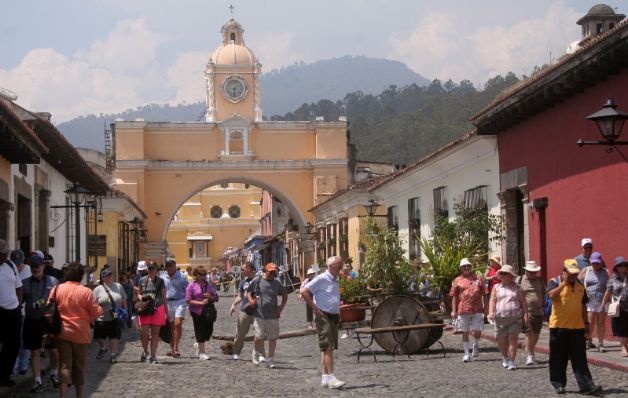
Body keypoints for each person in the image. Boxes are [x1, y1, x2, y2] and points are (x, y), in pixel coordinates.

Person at [547, 259, 602, 395]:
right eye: (570, 273)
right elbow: (551, 295)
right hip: (558, 327)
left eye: (575, 274)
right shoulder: (554, 282)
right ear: (564, 272)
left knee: (580, 358)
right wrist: (564, 283)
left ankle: (587, 386)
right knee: (558, 358)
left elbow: (583, 305)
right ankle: (558, 384)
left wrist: (586, 323)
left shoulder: (580, 285)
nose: (573, 276)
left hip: (577, 328)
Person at [53, 262, 103, 398]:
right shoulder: (85, 291)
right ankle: (78, 396)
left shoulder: (57, 289)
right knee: (79, 367)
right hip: (81, 333)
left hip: (62, 332)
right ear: (81, 276)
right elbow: (97, 312)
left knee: (64, 365)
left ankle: (63, 395)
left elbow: (49, 307)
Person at [301, 256, 346, 389]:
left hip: (333, 316)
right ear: (331, 266)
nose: (340, 268)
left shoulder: (335, 279)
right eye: (339, 266)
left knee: (326, 349)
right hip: (324, 316)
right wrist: (315, 308)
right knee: (328, 348)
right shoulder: (321, 278)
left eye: (341, 265)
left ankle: (325, 378)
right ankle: (332, 379)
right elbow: (304, 292)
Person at [22, 254, 60, 392]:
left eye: (37, 266)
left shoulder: (53, 281)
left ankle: (54, 372)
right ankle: (37, 381)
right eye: (32, 266)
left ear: (43, 266)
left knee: (54, 351)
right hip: (32, 321)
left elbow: (60, 300)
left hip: (49, 321)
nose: (35, 268)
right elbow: (19, 300)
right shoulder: (25, 283)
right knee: (35, 351)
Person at [246, 263, 287, 368]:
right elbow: (249, 292)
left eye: (275, 272)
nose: (273, 274)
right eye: (271, 272)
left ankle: (270, 359)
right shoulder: (257, 281)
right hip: (259, 314)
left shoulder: (277, 283)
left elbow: (285, 295)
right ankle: (255, 353)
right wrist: (250, 300)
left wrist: (281, 306)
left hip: (273, 315)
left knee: (272, 338)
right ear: (266, 271)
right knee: (258, 337)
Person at [488, 264, 528, 370]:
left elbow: (523, 301)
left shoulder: (518, 288)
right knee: (501, 340)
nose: (504, 275)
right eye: (502, 273)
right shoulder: (496, 287)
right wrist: (491, 312)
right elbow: (492, 300)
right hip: (500, 318)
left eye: (506, 273)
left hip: (515, 318)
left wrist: (526, 314)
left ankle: (511, 361)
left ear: (511, 276)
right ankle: (505, 357)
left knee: (512, 339)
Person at [449, 258, 486, 362]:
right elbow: (454, 296)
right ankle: (466, 354)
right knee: (465, 331)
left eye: (468, 266)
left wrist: (486, 307)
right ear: (461, 268)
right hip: (462, 309)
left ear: (471, 267)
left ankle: (475, 344)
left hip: (477, 309)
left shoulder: (478, 279)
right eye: (464, 266)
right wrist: (453, 310)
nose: (466, 268)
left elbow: (484, 293)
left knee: (477, 331)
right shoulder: (457, 280)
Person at [0, 239, 23, 387]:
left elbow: (18, 287)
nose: (5, 257)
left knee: (13, 345)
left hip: (13, 311)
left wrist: (19, 304)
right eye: (2, 254)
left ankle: (5, 375)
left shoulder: (10, 265)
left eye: (5, 253)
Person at [92, 268, 127, 364]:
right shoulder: (97, 289)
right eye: (107, 276)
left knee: (113, 336)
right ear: (103, 278)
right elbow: (93, 303)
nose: (109, 277)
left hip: (115, 316)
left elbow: (124, 299)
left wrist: (125, 311)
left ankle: (113, 355)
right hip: (101, 317)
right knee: (99, 337)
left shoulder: (118, 286)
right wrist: (93, 316)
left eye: (110, 275)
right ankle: (103, 348)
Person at [516, 260, 546, 366]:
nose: (533, 274)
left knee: (536, 334)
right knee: (529, 333)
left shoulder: (540, 280)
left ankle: (530, 350)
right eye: (531, 272)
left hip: (539, 311)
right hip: (526, 312)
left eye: (534, 272)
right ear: (526, 271)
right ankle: (529, 356)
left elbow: (543, 293)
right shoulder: (519, 280)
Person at [136, 262, 167, 364]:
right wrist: (142, 299)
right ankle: (145, 351)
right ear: (147, 269)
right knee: (144, 333)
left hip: (158, 308)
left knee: (155, 333)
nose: (151, 270)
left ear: (156, 269)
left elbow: (164, 297)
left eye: (153, 268)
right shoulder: (142, 280)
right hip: (145, 308)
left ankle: (153, 356)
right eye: (149, 268)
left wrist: (166, 311)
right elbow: (139, 293)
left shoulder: (160, 281)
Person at [185, 266, 218, 360]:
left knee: (209, 331)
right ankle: (202, 352)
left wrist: (210, 297)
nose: (204, 276)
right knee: (200, 331)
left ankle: (199, 344)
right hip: (197, 312)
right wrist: (201, 303)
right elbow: (188, 300)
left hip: (208, 311)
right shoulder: (191, 286)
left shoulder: (208, 285)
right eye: (202, 275)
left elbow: (216, 297)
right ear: (197, 275)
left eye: (205, 274)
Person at [578, 251, 609, 352]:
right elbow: (577, 281)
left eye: (597, 263)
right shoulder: (586, 270)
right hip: (589, 301)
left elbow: (610, 286)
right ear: (590, 262)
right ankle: (588, 340)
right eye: (593, 263)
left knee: (601, 322)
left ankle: (600, 343)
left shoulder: (606, 272)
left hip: (602, 301)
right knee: (590, 322)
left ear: (601, 262)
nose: (595, 265)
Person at [161, 258, 188, 358]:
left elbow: (188, 288)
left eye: (170, 265)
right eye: (167, 265)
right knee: (172, 327)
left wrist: (188, 301)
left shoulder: (182, 276)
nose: (168, 267)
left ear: (175, 265)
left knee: (178, 323)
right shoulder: (162, 277)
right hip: (167, 302)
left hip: (180, 301)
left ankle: (176, 348)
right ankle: (173, 349)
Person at [228, 262, 256, 360]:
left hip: (258, 311)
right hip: (245, 310)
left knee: (259, 333)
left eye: (243, 269)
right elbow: (240, 296)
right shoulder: (243, 282)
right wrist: (233, 304)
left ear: (249, 269)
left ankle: (258, 353)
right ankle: (236, 352)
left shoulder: (260, 280)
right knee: (240, 333)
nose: (242, 271)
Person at [601, 256, 628, 358]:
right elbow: (608, 292)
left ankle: (625, 346)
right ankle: (624, 348)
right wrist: (603, 304)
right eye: (621, 265)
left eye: (625, 265)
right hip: (618, 307)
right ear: (616, 267)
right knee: (620, 328)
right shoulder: (612, 279)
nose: (623, 267)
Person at [10, 249, 30, 376]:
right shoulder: (8, 269)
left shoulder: (29, 270)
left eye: (20, 263)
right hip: (13, 310)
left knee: (24, 340)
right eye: (15, 263)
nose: (18, 266)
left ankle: (23, 364)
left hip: (26, 311)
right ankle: (14, 365)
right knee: (13, 339)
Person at [299, 265, 319, 329]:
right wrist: (301, 294)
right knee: (309, 310)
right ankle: (310, 324)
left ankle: (318, 322)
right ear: (308, 275)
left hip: (316, 296)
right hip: (309, 296)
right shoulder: (306, 281)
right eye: (310, 274)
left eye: (312, 274)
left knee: (317, 309)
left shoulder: (317, 280)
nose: (311, 275)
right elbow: (302, 287)